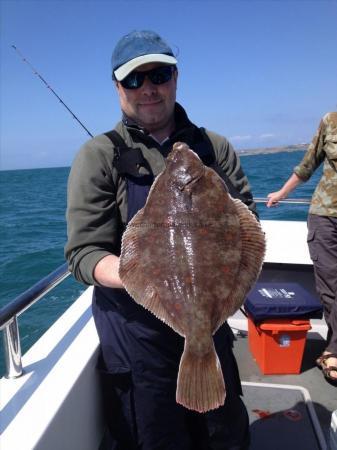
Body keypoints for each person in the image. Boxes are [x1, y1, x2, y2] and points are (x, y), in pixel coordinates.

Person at [65, 30, 256, 450]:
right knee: (154, 438)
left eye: (159, 75)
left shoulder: (215, 148)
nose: (148, 88)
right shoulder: (98, 156)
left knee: (223, 435)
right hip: (137, 339)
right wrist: (140, 274)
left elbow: (247, 225)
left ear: (176, 78)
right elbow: (83, 254)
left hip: (212, 322)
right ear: (117, 87)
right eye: (134, 79)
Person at [267, 112, 337, 385]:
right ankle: (333, 350)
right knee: (331, 283)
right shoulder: (330, 121)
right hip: (325, 215)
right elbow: (308, 164)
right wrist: (282, 194)